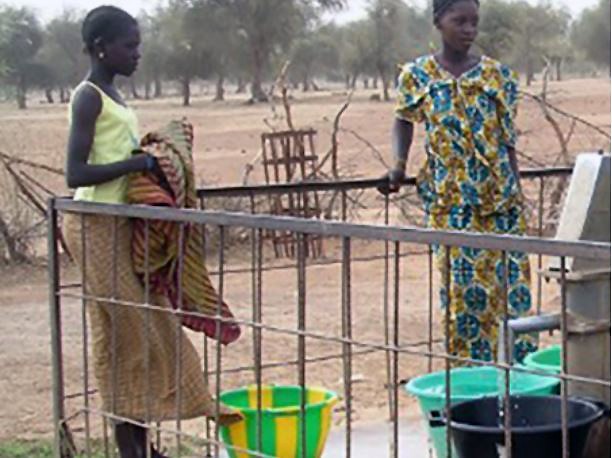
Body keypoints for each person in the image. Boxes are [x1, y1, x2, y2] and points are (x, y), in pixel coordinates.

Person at [62, 6, 241, 458]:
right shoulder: (89, 97)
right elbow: (76, 172)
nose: (138, 54)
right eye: (130, 45)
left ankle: (141, 446)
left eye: (138, 44)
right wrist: (138, 163)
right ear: (102, 47)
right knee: (133, 330)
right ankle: (136, 446)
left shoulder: (115, 96)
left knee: (136, 330)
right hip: (94, 225)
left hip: (120, 225)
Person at [379, 0, 536, 363]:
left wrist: (516, 195)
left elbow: (507, 141)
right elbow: (404, 119)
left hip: (499, 202)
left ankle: (519, 382)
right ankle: (470, 386)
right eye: (459, 20)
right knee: (462, 298)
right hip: (451, 204)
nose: (469, 29)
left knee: (511, 294)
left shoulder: (498, 77)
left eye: (474, 22)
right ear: (438, 21)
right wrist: (398, 166)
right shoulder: (418, 75)